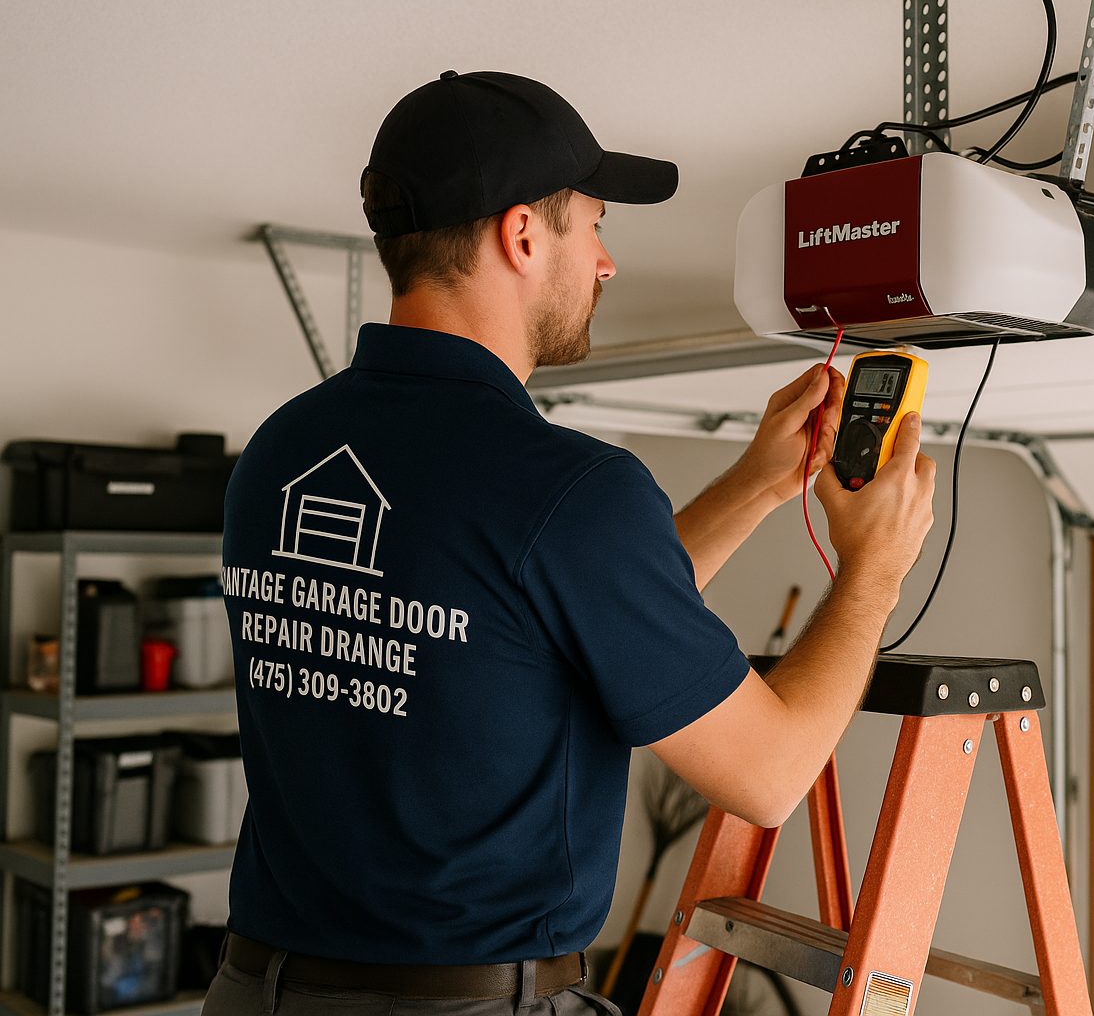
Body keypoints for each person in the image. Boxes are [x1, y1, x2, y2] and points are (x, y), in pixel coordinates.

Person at [206, 71, 935, 1016]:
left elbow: (541, 616)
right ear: (521, 235)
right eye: (593, 225)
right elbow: (769, 774)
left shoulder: (284, 447)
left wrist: (757, 486)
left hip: (254, 990)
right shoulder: (567, 488)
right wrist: (873, 574)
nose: (606, 262)